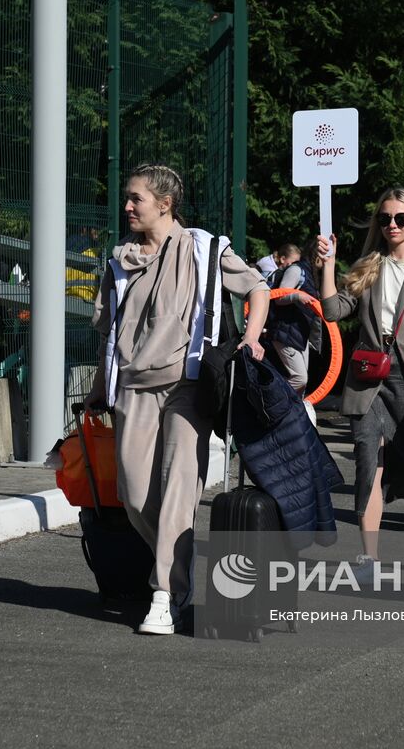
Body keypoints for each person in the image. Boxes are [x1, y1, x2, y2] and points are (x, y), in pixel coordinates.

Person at [83, 164, 269, 636]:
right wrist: (98, 386)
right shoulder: (119, 261)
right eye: (128, 197)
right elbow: (109, 331)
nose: (127, 206)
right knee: (133, 493)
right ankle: (172, 567)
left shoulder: (203, 248)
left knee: (179, 489)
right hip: (132, 385)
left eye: (136, 199)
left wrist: (250, 338)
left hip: (189, 384)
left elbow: (257, 287)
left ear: (164, 204)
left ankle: (166, 593)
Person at [317, 188, 404, 578]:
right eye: (384, 218)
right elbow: (332, 310)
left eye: (400, 218)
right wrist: (327, 265)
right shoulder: (369, 265)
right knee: (366, 462)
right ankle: (368, 558)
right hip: (368, 378)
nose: (391, 225)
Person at [264, 242, 321, 396]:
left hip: (300, 334)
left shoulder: (313, 275)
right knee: (300, 378)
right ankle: (274, 401)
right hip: (285, 331)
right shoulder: (297, 270)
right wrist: (297, 295)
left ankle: (291, 413)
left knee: (303, 381)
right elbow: (279, 296)